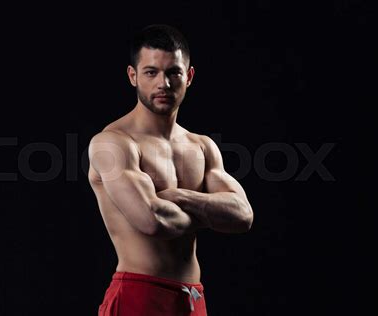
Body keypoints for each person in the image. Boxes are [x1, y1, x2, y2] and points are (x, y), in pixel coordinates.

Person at [88, 24, 254, 316]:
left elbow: (242, 215)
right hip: (139, 295)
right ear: (133, 76)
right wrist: (211, 213)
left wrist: (178, 196)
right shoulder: (113, 143)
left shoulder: (202, 147)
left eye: (173, 72)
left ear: (188, 77)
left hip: (192, 299)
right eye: (151, 72)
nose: (163, 83)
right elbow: (152, 221)